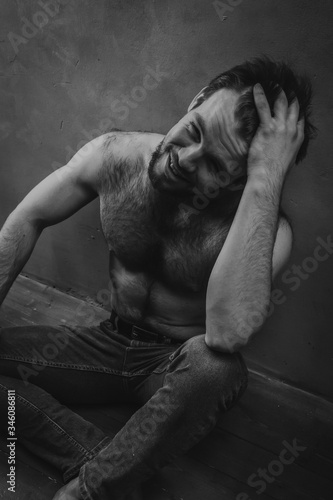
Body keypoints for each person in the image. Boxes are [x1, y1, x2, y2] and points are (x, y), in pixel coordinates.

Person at [0, 56, 315, 500]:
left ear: (242, 179)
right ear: (197, 99)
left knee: (217, 369)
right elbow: (27, 218)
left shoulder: (267, 230)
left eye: (217, 166)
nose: (186, 160)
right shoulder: (114, 155)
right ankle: (105, 459)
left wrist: (267, 175)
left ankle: (87, 493)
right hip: (106, 344)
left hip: (173, 369)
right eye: (196, 130)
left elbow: (225, 336)